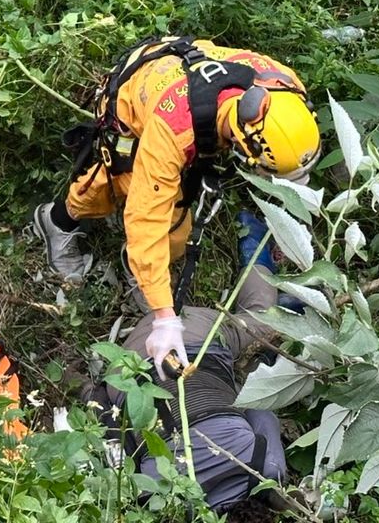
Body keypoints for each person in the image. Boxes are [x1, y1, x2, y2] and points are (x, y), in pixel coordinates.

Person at [33, 36, 320, 373]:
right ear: (242, 144)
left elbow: (287, 158)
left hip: (188, 91)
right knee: (110, 183)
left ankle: (138, 268)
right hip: (136, 96)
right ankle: (57, 222)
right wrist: (164, 316)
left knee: (176, 230)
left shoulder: (283, 86)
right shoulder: (173, 129)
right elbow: (145, 218)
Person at [98, 213, 288, 518]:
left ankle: (252, 232)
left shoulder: (266, 469)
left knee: (264, 319)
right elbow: (111, 434)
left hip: (193, 340)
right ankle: (146, 284)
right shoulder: (163, 500)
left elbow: (262, 407)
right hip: (125, 365)